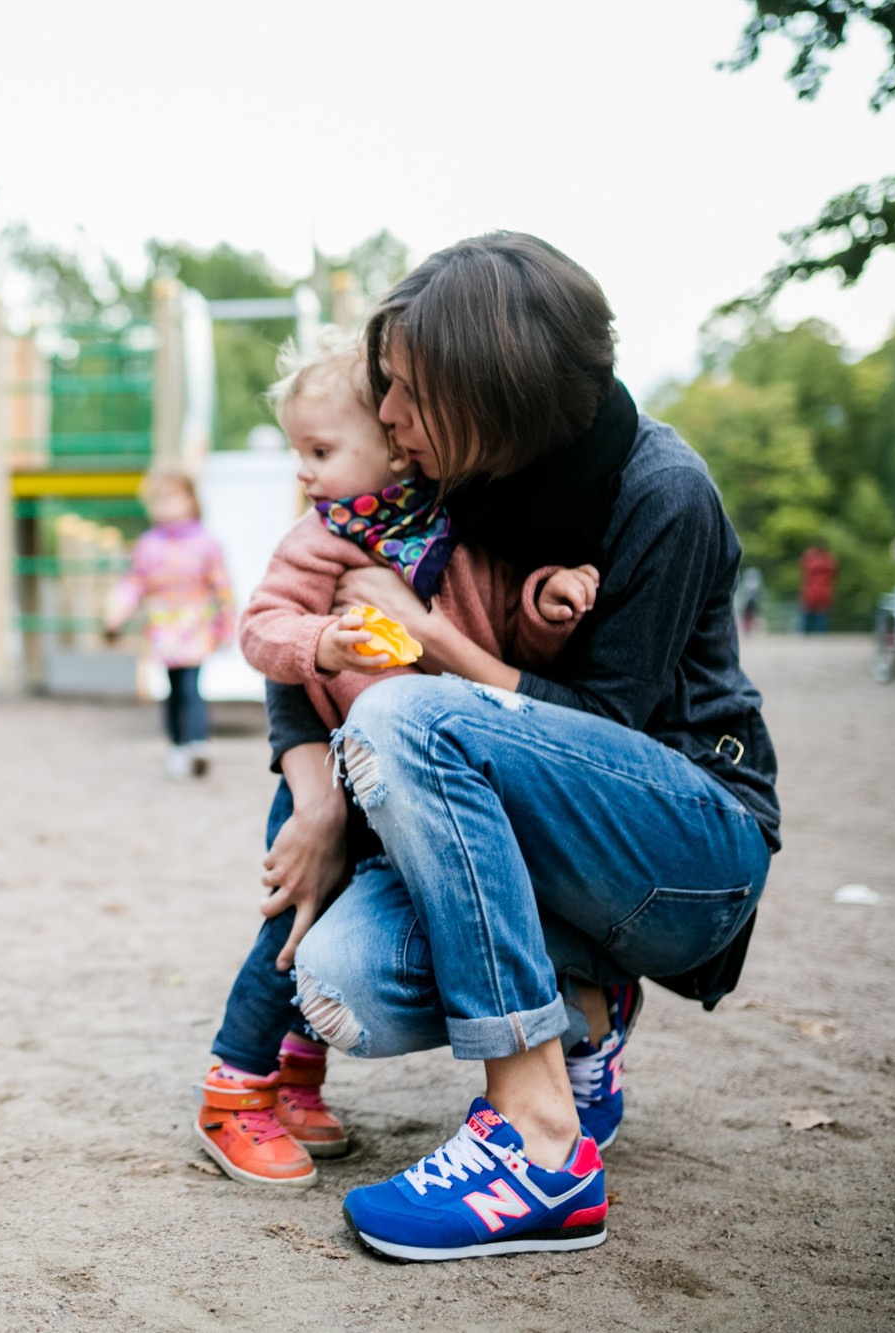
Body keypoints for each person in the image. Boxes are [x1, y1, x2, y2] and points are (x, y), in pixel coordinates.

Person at [263, 233, 777, 1262]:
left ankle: (535, 1143)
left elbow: (604, 735)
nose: (388, 415)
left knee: (405, 712)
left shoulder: (658, 491)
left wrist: (435, 639)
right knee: (338, 980)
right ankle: (580, 1007)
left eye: (405, 390)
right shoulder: (451, 488)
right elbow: (300, 630)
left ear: (485, 392)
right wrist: (315, 794)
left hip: (685, 853)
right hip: (538, 847)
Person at [194, 331, 595, 1189]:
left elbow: (497, 637)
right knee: (293, 923)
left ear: (391, 441)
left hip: (426, 776)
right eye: (300, 451)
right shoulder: (321, 539)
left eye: (322, 450)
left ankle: (299, 1080)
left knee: (364, 924)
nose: (304, 471)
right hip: (342, 767)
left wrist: (545, 608)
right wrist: (324, 643)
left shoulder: (465, 529)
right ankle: (235, 1090)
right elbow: (260, 630)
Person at [102, 468, 236, 780]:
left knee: (191, 685)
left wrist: (227, 624)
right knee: (172, 689)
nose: (167, 505)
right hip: (164, 628)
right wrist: (116, 612)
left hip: (194, 625)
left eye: (174, 497)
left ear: (191, 501)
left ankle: (197, 744)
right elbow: (134, 583)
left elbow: (222, 587)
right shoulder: (149, 546)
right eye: (160, 499)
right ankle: (177, 745)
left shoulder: (205, 544)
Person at [797, 545, 838, 633]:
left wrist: (809, 553)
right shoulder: (828, 562)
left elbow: (803, 566)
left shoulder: (810, 561)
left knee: (804, 624)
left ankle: (800, 643)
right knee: (820, 625)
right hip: (824, 595)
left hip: (809, 594)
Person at [736, 567, 763, 635]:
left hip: (750, 603)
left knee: (752, 616)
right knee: (750, 616)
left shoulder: (749, 584)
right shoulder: (754, 584)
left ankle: (754, 631)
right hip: (749, 603)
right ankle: (750, 630)